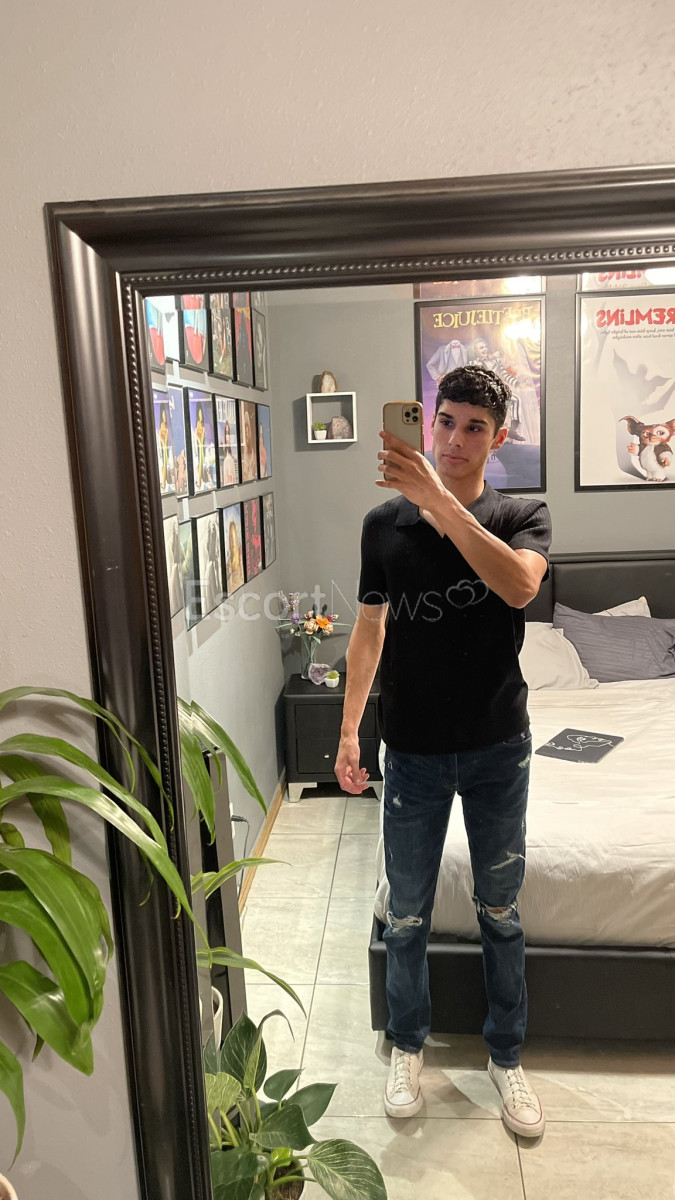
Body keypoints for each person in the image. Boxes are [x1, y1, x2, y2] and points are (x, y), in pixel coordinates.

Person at [335, 364, 551, 1140]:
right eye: (445, 422)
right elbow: (369, 628)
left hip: (498, 746)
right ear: (428, 423)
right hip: (413, 751)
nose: (454, 439)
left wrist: (439, 503)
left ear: (499, 437)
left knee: (500, 909)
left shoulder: (522, 514)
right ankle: (406, 1046)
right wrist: (349, 728)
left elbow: (519, 587)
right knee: (405, 914)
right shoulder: (381, 526)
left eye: (473, 428)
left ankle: (505, 1055)